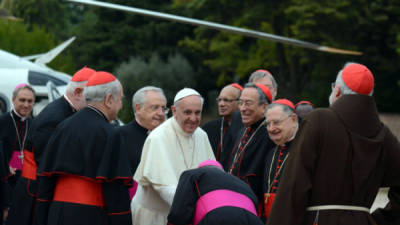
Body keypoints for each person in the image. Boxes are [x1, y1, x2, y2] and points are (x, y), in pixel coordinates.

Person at [266, 63, 400, 225]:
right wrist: (379, 219)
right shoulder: (384, 135)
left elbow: (294, 185)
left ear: (337, 90)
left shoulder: (319, 120)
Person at [35, 71, 132, 225]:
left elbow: (46, 178)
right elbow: (115, 191)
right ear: (108, 100)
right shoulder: (110, 134)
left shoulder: (63, 126)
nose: (120, 106)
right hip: (89, 215)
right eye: (120, 100)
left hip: (56, 213)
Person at [6, 67, 96, 225]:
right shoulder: (55, 118)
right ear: (77, 92)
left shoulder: (66, 111)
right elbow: (47, 166)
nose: (93, 104)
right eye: (91, 98)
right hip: (35, 194)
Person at [131, 87, 215, 225]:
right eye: (187, 112)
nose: (193, 118)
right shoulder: (158, 137)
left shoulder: (201, 135)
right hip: (155, 217)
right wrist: (196, 206)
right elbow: (164, 187)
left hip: (186, 213)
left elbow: (211, 174)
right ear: (174, 111)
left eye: (197, 113)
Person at [224, 83, 275, 219]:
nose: (243, 108)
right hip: (233, 203)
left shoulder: (269, 135)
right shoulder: (242, 131)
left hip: (253, 208)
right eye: (240, 103)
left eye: (248, 103)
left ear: (264, 107)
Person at [167, 160, 264, 225]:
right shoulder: (242, 183)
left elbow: (180, 210)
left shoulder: (193, 174)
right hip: (252, 220)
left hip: (217, 217)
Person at [116, 86, 168, 198]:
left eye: (163, 108)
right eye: (155, 108)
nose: (161, 113)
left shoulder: (169, 136)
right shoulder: (119, 136)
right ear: (138, 108)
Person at [0, 83, 35, 222]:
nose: (26, 105)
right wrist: (3, 166)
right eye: (22, 100)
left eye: (30, 101)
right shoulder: (2, 122)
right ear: (13, 100)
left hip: (24, 186)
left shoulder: (34, 124)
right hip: (4, 185)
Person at [262, 99, 298, 220]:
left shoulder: (305, 150)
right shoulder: (271, 153)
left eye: (276, 122)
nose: (271, 129)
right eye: (267, 124)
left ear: (293, 119)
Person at [202, 83, 242, 162]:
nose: (221, 104)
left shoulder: (245, 129)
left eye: (226, 100)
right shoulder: (208, 128)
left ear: (239, 103)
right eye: (219, 100)